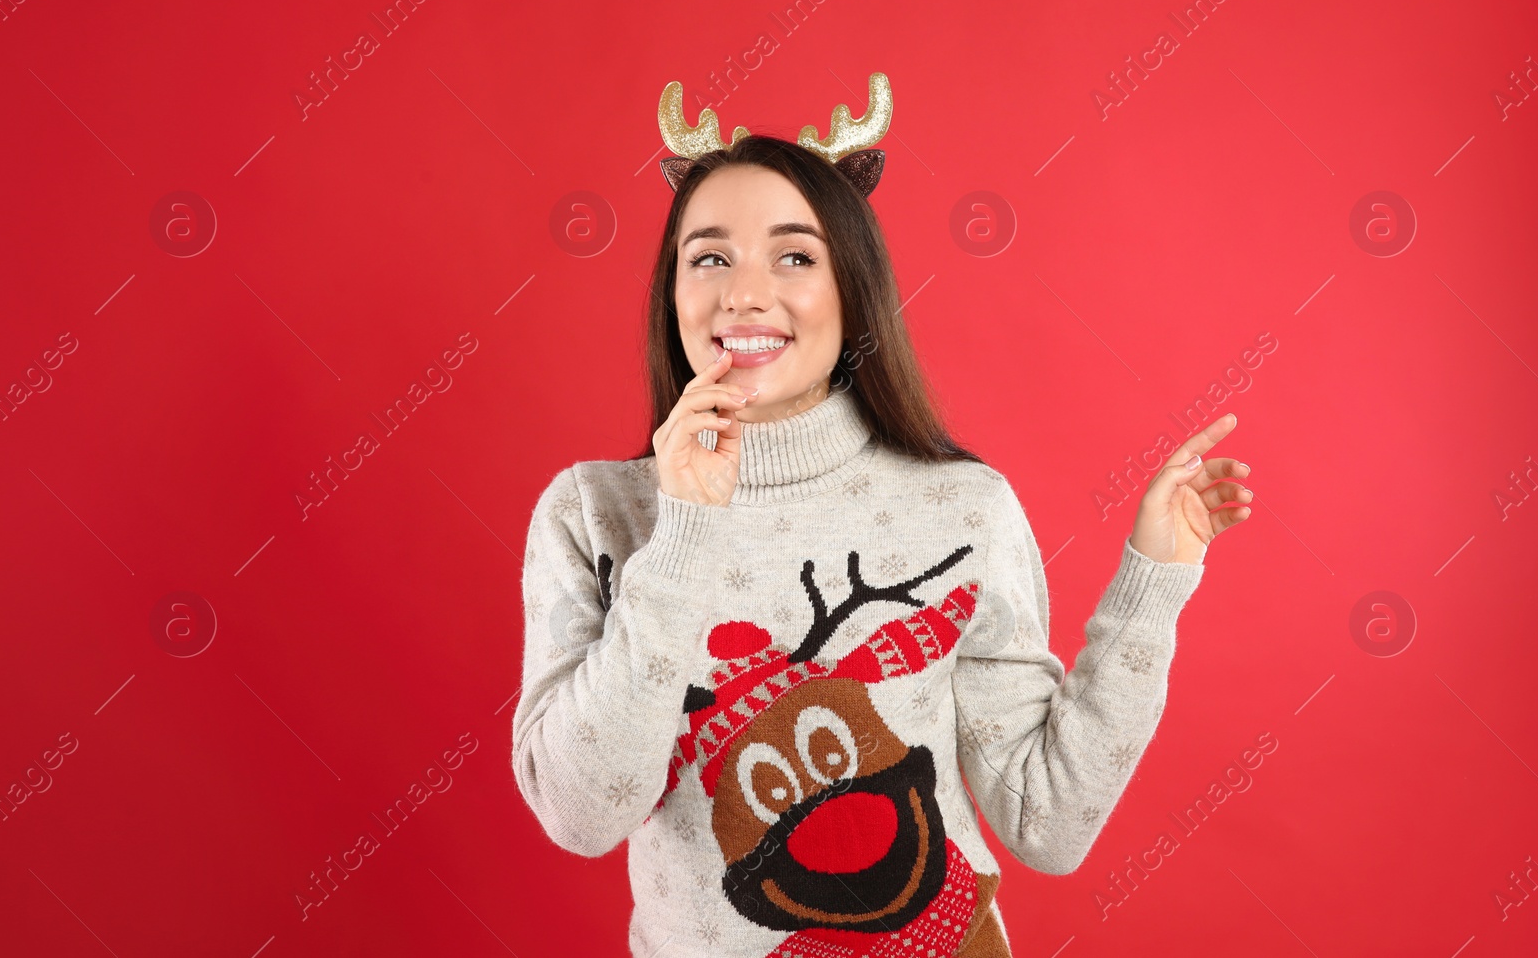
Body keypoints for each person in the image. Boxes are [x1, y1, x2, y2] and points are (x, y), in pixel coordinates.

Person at [512, 76, 1254, 957]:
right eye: (709, 257)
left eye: (795, 256)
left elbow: (1046, 819)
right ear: (672, 294)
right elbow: (580, 812)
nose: (745, 294)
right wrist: (681, 537)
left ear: (853, 289)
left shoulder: (963, 507)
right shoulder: (592, 514)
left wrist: (1151, 586)